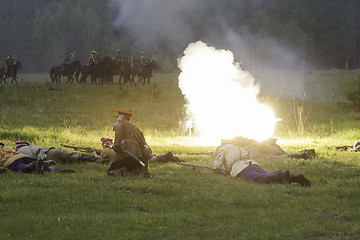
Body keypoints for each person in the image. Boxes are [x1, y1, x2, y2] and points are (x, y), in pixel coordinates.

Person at [212, 138, 311, 187]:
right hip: (253, 164)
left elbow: (217, 165)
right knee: (267, 174)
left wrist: (213, 167)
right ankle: (294, 177)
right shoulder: (239, 147)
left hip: (241, 168)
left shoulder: (221, 149)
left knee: (261, 179)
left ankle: (284, 174)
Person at [107, 109, 152, 177]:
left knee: (111, 170)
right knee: (135, 169)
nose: (117, 118)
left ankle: (123, 171)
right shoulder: (135, 128)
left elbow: (118, 138)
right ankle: (135, 172)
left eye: (118, 116)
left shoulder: (120, 124)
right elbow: (143, 142)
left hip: (127, 155)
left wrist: (116, 147)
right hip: (139, 157)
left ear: (121, 117)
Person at [1, 142, 73, 174]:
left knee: (23, 168)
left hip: (10, 161)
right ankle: (55, 169)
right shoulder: (7, 148)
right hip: (23, 156)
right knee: (43, 165)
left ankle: (33, 165)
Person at [15, 141, 101, 164]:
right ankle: (96, 159)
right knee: (72, 155)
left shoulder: (16, 154)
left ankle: (94, 160)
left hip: (44, 159)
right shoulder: (32, 147)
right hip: (48, 152)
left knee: (70, 158)